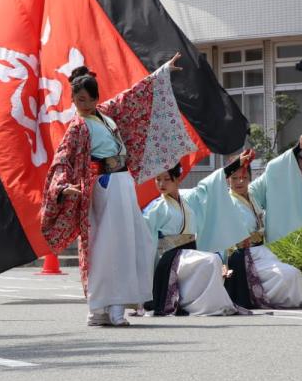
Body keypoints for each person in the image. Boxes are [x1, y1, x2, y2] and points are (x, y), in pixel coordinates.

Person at [41, 54, 196, 327]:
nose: (84, 105)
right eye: (79, 101)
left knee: (129, 244)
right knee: (108, 247)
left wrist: (161, 74)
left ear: (96, 98)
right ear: (73, 100)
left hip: (123, 184)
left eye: (89, 100)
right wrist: (63, 186)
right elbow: (62, 159)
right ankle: (105, 308)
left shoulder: (106, 115)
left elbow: (131, 96)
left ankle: (112, 307)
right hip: (105, 184)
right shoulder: (78, 127)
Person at [220, 130, 302, 310]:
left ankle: (283, 300)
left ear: (249, 177)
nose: (240, 181)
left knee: (293, 274)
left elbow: (273, 171)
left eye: (244, 177)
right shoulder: (224, 201)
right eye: (234, 178)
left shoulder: (254, 192)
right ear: (227, 179)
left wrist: (297, 149)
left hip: (261, 252)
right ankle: (259, 297)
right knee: (283, 276)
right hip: (242, 257)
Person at [142, 162, 242, 316]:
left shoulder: (188, 199)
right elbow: (143, 234)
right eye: (158, 179)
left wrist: (236, 165)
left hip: (189, 252)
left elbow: (209, 186)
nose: (161, 184)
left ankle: (206, 304)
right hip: (171, 257)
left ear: (177, 179)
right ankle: (204, 306)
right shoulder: (156, 207)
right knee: (211, 261)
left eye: (166, 179)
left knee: (214, 259)